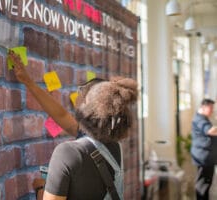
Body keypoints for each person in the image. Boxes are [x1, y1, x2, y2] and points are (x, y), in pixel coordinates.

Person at [8, 50, 138, 200]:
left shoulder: (66, 153)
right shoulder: (114, 146)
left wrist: (40, 188)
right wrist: (28, 82)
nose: (76, 98)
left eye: (80, 94)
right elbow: (61, 115)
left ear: (87, 106)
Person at [191, 98, 217, 200]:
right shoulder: (199, 119)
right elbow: (210, 131)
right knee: (203, 185)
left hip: (207, 158)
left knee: (206, 183)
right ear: (203, 107)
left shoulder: (204, 118)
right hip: (203, 158)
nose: (212, 110)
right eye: (210, 108)